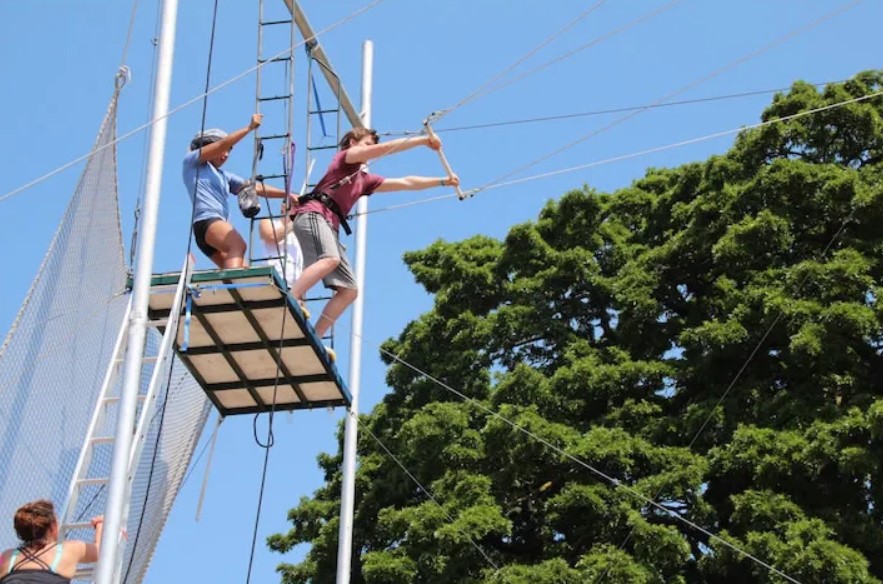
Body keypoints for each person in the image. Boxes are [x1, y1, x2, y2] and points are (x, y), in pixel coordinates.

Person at [291, 128, 459, 342]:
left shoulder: (364, 180)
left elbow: (405, 183)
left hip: (329, 225)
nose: (370, 151)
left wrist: (443, 181)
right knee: (331, 259)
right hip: (314, 214)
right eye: (367, 145)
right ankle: (293, 296)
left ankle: (316, 336)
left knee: (349, 290)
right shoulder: (345, 158)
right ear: (353, 142)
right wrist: (423, 141)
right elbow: (385, 149)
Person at [183, 113, 297, 269]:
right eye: (224, 150)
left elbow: (254, 187)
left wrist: (287, 194)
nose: (226, 155)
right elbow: (220, 145)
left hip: (210, 229)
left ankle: (232, 288)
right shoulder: (192, 162)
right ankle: (232, 287)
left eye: (229, 151)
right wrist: (249, 128)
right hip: (208, 222)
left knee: (242, 268)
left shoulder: (223, 176)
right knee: (238, 246)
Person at [0, 500, 103, 583]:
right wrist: (101, 524)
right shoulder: (68, 550)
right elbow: (101, 550)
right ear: (53, 526)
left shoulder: (6, 557)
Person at [258, 199, 304, 291]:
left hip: (293, 288)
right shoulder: (269, 222)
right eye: (295, 206)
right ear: (284, 207)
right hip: (273, 280)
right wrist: (293, 223)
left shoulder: (300, 237)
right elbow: (271, 237)